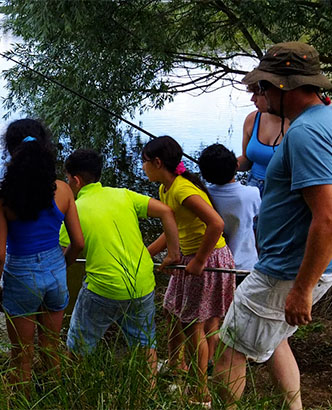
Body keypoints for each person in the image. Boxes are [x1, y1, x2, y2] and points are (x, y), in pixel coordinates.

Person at [214, 42, 332, 410]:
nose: (256, 94)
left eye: (262, 87)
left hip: (285, 271)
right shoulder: (325, 118)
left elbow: (327, 217)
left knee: (227, 349)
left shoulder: (304, 134)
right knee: (273, 337)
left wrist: (302, 288)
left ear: (286, 87)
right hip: (294, 266)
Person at [58, 149, 181, 379]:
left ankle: (74, 387)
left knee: (78, 341)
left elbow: (68, 250)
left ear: (75, 180)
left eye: (67, 179)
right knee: (145, 342)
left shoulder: (75, 210)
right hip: (142, 283)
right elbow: (167, 211)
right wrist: (172, 253)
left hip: (103, 289)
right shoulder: (123, 194)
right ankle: (150, 394)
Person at [0, 118, 84, 387]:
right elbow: (78, 242)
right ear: (44, 147)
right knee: (51, 348)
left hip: (20, 277)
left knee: (22, 356)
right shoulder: (63, 190)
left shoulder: (2, 197)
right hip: (54, 271)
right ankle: (55, 397)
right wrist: (61, 266)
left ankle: (23, 400)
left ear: (10, 151)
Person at [142, 136, 235, 406]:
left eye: (145, 162)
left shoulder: (183, 190)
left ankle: (200, 391)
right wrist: (144, 254)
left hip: (208, 259)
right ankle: (180, 369)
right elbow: (174, 229)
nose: (144, 168)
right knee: (173, 313)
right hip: (189, 257)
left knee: (194, 325)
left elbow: (216, 224)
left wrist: (199, 261)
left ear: (158, 162)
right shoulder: (165, 189)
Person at [198, 143, 261, 284]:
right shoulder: (251, 194)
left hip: (214, 265)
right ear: (237, 165)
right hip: (245, 266)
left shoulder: (202, 196)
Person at [237, 82, 290, 196]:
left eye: (257, 94)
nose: (252, 99)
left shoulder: (298, 125)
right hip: (253, 190)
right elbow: (246, 160)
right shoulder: (252, 119)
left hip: (282, 192)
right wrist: (227, 165)